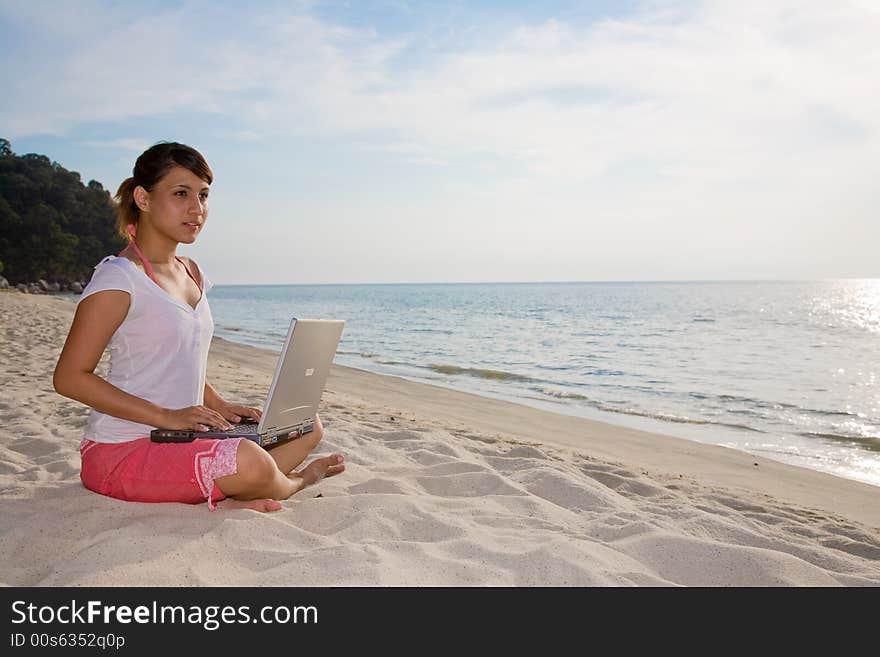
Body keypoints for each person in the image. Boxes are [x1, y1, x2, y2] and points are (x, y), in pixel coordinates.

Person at [53, 142, 345, 512]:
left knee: (305, 424)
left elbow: (177, 358)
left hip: (185, 436)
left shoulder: (192, 272)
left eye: (204, 196)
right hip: (123, 451)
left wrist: (220, 406)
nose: (197, 209)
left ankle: (244, 487)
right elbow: (69, 377)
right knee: (249, 461)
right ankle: (294, 482)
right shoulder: (118, 279)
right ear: (143, 198)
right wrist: (166, 416)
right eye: (181, 194)